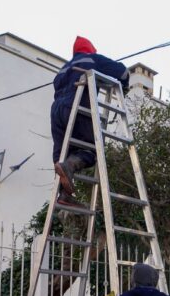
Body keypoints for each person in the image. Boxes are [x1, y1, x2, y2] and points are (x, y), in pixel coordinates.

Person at [51, 36, 130, 208]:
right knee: (91, 151)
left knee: (61, 155)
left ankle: (64, 194)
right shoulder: (92, 59)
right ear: (90, 50)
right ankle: (69, 166)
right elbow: (123, 72)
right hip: (77, 105)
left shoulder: (63, 69)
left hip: (56, 111)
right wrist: (125, 86)